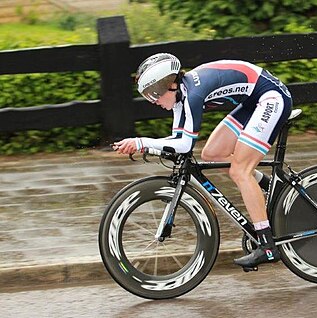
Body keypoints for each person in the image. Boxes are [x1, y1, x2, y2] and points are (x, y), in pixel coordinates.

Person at [113, 53, 293, 268]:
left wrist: (142, 143)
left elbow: (186, 145)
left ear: (167, 86)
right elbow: (177, 141)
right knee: (212, 154)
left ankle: (267, 246)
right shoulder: (181, 97)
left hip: (271, 98)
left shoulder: (193, 96)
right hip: (252, 102)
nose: (154, 102)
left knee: (240, 171)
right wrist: (149, 146)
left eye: (154, 96)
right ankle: (272, 186)